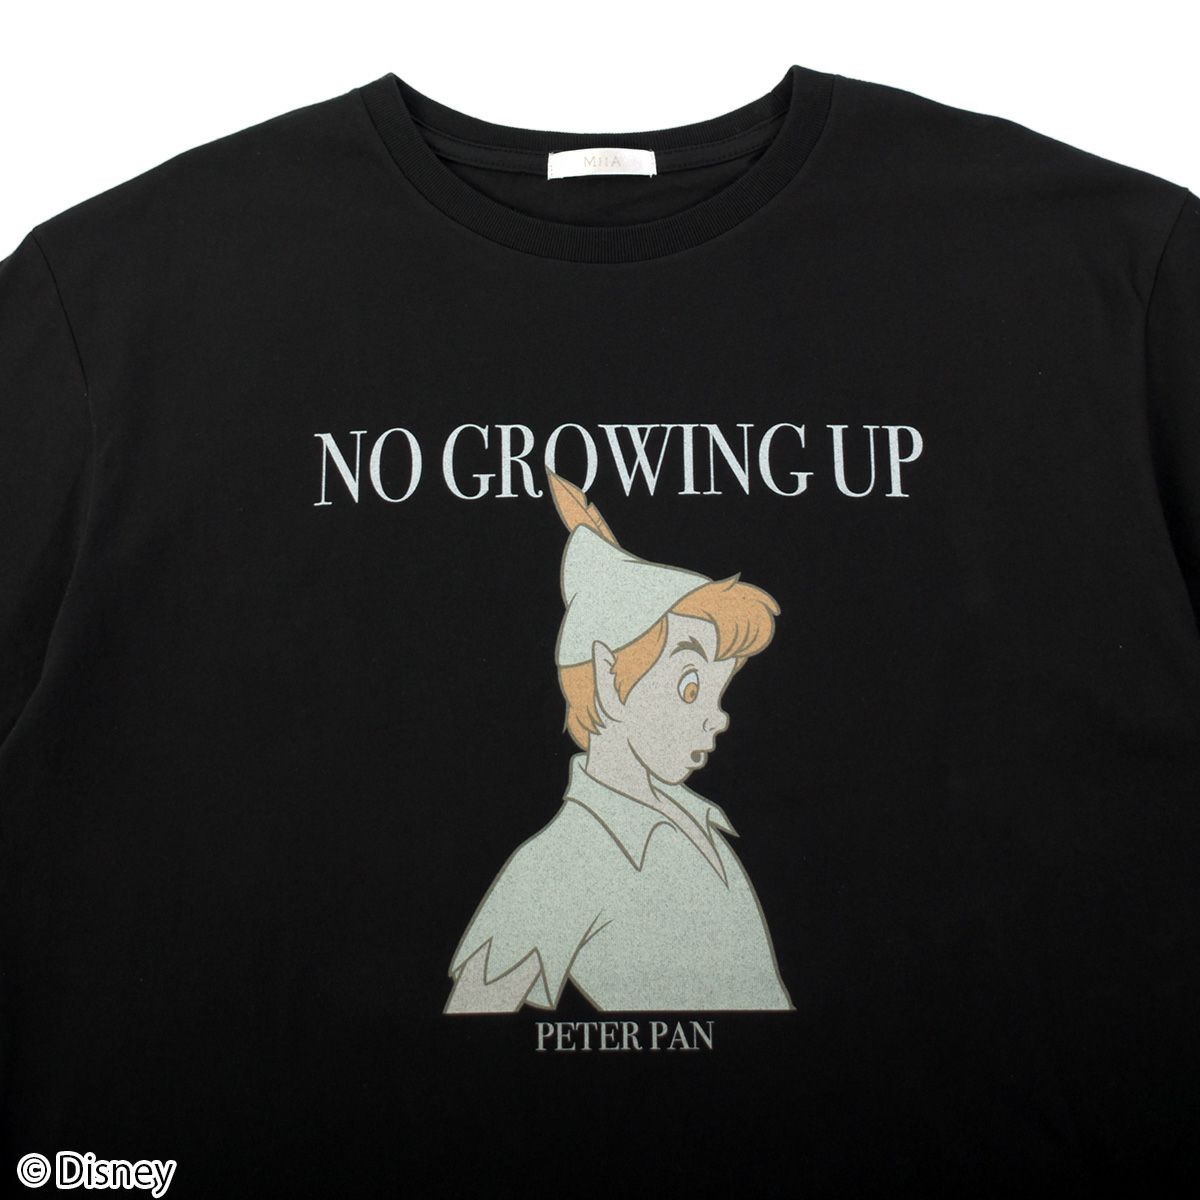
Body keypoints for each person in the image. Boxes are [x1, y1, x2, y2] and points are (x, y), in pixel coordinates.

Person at [444, 470, 793, 1013]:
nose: (718, 717)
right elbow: (471, 1013)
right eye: (691, 687)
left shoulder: (700, 823)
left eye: (718, 692)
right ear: (607, 678)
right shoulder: (561, 862)